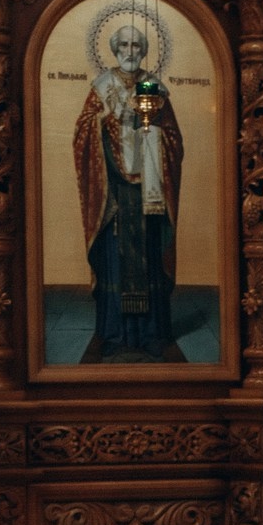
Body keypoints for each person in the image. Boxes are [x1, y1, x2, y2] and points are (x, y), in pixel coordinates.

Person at [72, 19, 185, 361]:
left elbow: (174, 141)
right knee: (116, 263)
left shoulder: (156, 89)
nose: (130, 51)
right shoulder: (101, 88)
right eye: (124, 45)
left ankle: (152, 334)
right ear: (114, 49)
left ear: (144, 51)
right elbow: (81, 136)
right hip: (114, 196)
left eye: (136, 45)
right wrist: (105, 120)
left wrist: (153, 132)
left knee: (148, 260)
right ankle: (113, 334)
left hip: (148, 194)